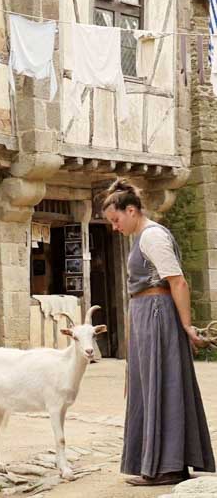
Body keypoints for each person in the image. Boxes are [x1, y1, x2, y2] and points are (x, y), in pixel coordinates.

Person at [102, 178, 215, 487]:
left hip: (157, 315)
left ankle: (168, 467)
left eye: (116, 220)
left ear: (132, 210)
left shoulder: (152, 236)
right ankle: (168, 464)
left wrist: (186, 326)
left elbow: (177, 281)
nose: (115, 227)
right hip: (146, 315)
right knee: (153, 386)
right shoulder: (141, 236)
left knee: (162, 384)